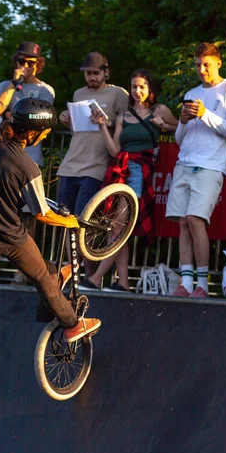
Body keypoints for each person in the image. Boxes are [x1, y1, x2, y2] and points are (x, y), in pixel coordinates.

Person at [0, 97, 101, 344]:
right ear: (32, 133)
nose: (46, 137)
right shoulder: (27, 166)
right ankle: (72, 324)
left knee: (42, 268)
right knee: (41, 277)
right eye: (45, 133)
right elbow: (43, 214)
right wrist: (70, 223)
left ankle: (48, 302)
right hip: (5, 233)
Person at [79, 69, 178, 292]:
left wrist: (165, 127)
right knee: (118, 228)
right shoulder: (123, 116)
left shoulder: (158, 110)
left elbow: (181, 127)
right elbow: (115, 149)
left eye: (142, 86)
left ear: (150, 88)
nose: (137, 91)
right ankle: (122, 282)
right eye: (134, 86)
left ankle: (96, 279)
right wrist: (103, 125)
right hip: (120, 168)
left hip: (139, 171)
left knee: (118, 226)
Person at [166, 42, 226, 298]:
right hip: (184, 162)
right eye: (198, 65)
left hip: (211, 165)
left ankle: (202, 283)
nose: (202, 70)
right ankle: (186, 284)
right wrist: (183, 121)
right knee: (182, 222)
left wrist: (205, 113)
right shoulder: (191, 92)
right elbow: (181, 139)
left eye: (207, 64)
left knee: (195, 220)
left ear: (218, 63)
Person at [0, 41, 55, 284]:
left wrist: (13, 116)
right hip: (0, 157)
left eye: (30, 63)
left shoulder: (46, 91)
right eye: (21, 62)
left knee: (27, 215)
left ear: (38, 64)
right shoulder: (6, 85)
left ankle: (23, 274)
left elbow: (37, 122)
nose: (25, 66)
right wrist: (14, 84)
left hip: (27, 157)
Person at [57, 52, 129, 275]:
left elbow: (126, 124)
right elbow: (77, 129)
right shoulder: (79, 93)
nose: (92, 78)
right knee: (64, 220)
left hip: (96, 166)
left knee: (83, 221)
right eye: (88, 73)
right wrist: (67, 120)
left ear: (106, 72)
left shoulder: (119, 94)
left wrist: (104, 122)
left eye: (96, 73)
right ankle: (73, 271)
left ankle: (88, 275)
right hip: (70, 164)